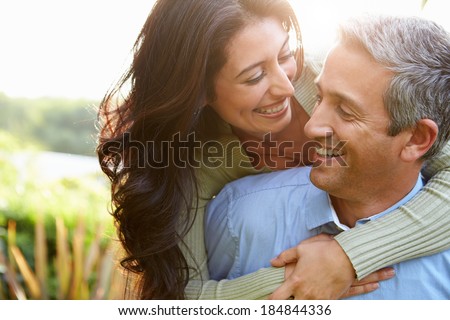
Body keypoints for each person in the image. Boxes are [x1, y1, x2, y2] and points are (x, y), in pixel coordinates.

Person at [96, 0, 450, 300]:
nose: (285, 86)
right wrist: (296, 280)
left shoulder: (334, 77)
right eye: (253, 77)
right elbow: (183, 296)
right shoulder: (193, 164)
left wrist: (349, 256)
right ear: (200, 90)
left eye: (284, 55)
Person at [206, 14, 450, 299]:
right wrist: (288, 283)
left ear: (416, 139)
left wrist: (351, 255)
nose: (311, 126)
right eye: (319, 97)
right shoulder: (237, 216)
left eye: (346, 112)